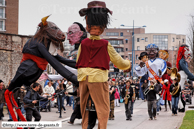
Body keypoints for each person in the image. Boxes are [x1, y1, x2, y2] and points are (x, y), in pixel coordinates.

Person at [5, 15, 79, 122]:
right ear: (45, 30)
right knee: (10, 94)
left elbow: (61, 60)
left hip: (32, 72)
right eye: (53, 29)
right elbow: (55, 63)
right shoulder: (37, 43)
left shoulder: (44, 45)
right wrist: (74, 79)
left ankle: (21, 122)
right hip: (27, 71)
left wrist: (83, 64)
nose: (58, 31)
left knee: (11, 95)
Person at [77, 1, 131, 128]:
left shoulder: (83, 43)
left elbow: (78, 60)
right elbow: (119, 62)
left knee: (84, 107)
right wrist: (127, 64)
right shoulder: (105, 44)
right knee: (103, 108)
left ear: (88, 26)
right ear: (102, 27)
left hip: (83, 77)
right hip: (98, 78)